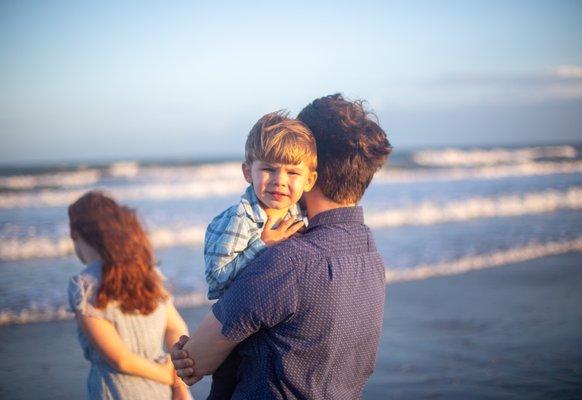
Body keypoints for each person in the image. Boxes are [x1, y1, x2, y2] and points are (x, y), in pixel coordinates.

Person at [172, 93, 392, 399]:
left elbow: (196, 361)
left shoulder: (289, 259)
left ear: (312, 170)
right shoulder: (371, 256)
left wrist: (189, 354)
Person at [202, 111, 318, 398]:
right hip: (235, 334)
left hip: (270, 331)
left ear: (309, 180)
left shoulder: (296, 211)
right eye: (268, 169)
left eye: (292, 172)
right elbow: (216, 281)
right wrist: (262, 245)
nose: (279, 181)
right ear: (247, 172)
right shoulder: (237, 220)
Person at [68, 191, 192, 400]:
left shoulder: (84, 285)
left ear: (74, 233)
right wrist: (178, 383)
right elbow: (177, 330)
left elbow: (121, 360)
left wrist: (167, 377)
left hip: (116, 391)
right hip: (163, 393)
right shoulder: (148, 274)